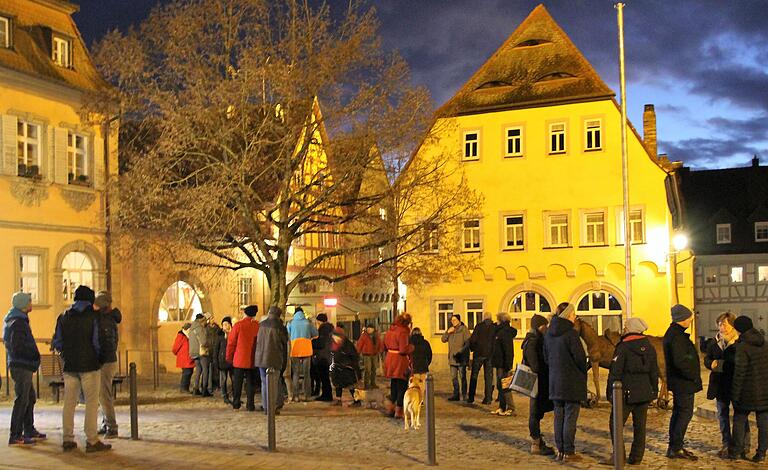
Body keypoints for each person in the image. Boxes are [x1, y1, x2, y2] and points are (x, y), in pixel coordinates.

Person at [52, 285, 111, 453]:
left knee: (69, 403)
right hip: (90, 366)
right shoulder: (94, 317)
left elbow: (57, 341)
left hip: (70, 366)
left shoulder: (63, 317)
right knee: (91, 403)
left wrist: (65, 354)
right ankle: (91, 439)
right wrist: (99, 360)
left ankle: (67, 438)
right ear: (90, 299)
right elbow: (98, 342)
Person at [604, 317, 659, 466]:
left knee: (615, 424)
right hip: (644, 392)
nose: (623, 329)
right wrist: (654, 391)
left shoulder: (623, 347)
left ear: (629, 329)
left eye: (625, 327)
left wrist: (610, 392)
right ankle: (636, 457)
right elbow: (654, 371)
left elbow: (615, 371)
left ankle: (619, 456)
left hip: (624, 393)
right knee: (640, 426)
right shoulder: (649, 347)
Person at [543, 303, 587, 462]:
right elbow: (581, 359)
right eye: (573, 313)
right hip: (572, 382)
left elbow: (546, 358)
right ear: (569, 315)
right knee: (570, 417)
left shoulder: (548, 334)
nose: (575, 316)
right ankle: (569, 451)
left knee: (558, 416)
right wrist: (583, 368)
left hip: (555, 381)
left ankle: (560, 450)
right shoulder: (571, 334)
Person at [704, 312, 748, 458]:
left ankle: (743, 445)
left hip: (736, 383)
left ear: (732, 325)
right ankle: (726, 443)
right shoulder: (714, 341)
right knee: (722, 415)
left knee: (741, 415)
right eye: (719, 324)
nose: (721, 326)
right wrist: (710, 363)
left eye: (724, 324)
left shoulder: (740, 341)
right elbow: (707, 358)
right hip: (719, 384)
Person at [4, 292, 44, 446]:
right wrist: (33, 355)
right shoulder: (18, 322)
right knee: (22, 400)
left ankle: (28, 429)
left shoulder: (18, 320)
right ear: (23, 305)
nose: (31, 303)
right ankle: (15, 435)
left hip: (21, 364)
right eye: (29, 301)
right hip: (21, 365)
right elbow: (18, 346)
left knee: (30, 398)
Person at [663, 304, 702, 460]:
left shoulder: (674, 334)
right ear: (682, 319)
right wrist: (692, 375)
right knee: (683, 414)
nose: (691, 320)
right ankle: (676, 447)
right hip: (683, 383)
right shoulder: (677, 336)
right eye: (689, 317)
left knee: (679, 414)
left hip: (681, 382)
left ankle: (675, 446)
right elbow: (681, 361)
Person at [730, 315, 768, 462]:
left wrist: (734, 394)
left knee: (739, 420)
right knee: (764, 423)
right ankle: (761, 453)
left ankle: (736, 451)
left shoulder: (742, 347)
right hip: (764, 391)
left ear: (739, 329)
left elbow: (740, 373)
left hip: (747, 391)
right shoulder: (764, 344)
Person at [522, 314, 554, 455]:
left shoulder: (534, 340)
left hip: (538, 382)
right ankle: (536, 443)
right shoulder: (533, 342)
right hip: (536, 382)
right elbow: (535, 365)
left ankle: (537, 441)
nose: (546, 328)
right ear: (540, 326)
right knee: (534, 412)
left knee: (536, 412)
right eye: (544, 326)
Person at [94, 291, 121, 439]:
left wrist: (100, 359)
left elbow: (106, 343)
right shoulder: (107, 319)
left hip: (106, 361)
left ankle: (112, 426)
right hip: (107, 360)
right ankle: (106, 423)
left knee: (104, 396)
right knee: (102, 395)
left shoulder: (105, 320)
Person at [254, 306, 289, 414]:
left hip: (260, 358)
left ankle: (266, 406)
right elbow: (284, 344)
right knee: (273, 384)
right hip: (274, 358)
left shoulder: (261, 325)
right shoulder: (280, 327)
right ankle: (271, 408)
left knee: (264, 383)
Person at [227, 305, 260, 411]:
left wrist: (229, 357)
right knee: (251, 383)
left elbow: (231, 343)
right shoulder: (257, 326)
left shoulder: (238, 325)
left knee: (237, 383)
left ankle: (236, 403)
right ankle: (250, 404)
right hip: (253, 358)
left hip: (239, 358)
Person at [383, 314, 414, 419]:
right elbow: (403, 349)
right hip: (399, 361)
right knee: (402, 386)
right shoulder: (403, 332)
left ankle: (391, 407)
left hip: (390, 358)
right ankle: (398, 410)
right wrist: (412, 347)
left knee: (394, 384)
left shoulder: (390, 331)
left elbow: (385, 345)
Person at [287, 307, 318, 402]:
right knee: (306, 374)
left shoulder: (291, 323)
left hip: (295, 349)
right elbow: (316, 334)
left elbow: (287, 334)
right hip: (307, 349)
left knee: (295, 373)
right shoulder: (308, 323)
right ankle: (306, 395)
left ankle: (295, 396)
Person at [491, 312, 517, 416]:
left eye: (497, 320)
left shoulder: (504, 332)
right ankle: (501, 407)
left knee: (505, 385)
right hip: (499, 363)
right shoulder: (499, 331)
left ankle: (511, 408)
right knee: (500, 385)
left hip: (504, 364)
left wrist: (508, 365)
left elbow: (508, 350)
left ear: (500, 320)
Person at [330, 326, 362, 406]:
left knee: (350, 385)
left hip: (347, 368)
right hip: (337, 367)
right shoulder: (333, 343)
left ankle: (357, 401)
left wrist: (351, 365)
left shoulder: (347, 344)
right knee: (338, 384)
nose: (335, 338)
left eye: (336, 336)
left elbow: (354, 356)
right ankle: (338, 400)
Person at [467, 316, 495, 404]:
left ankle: (471, 397)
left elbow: (473, 339)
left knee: (474, 375)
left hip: (478, 354)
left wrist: (473, 349)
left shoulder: (479, 326)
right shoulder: (494, 327)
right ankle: (488, 398)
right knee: (488, 377)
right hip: (490, 355)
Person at [441, 314, 470, 401]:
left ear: (459, 321)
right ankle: (456, 394)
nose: (453, 322)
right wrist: (447, 332)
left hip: (461, 358)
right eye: (452, 320)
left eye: (454, 320)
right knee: (454, 377)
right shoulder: (450, 330)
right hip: (452, 358)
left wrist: (461, 351)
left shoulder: (464, 330)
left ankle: (464, 394)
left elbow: (468, 343)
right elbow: (443, 339)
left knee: (463, 377)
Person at [312, 313, 334, 401]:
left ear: (320, 321)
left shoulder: (323, 329)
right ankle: (326, 394)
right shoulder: (330, 329)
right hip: (327, 355)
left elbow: (321, 343)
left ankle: (326, 395)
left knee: (324, 377)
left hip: (322, 356)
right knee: (325, 377)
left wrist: (313, 342)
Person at [188, 313, 211, 396]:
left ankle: (195, 388)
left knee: (198, 370)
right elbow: (204, 341)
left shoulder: (191, 328)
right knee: (205, 370)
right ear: (201, 320)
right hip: (201, 352)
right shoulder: (200, 328)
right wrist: (209, 344)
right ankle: (205, 389)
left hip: (193, 352)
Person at [356, 324, 383, 389]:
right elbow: (359, 344)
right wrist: (358, 352)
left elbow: (380, 343)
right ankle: (366, 384)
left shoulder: (376, 335)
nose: (369, 330)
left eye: (370, 328)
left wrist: (380, 350)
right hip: (366, 355)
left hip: (374, 354)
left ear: (373, 329)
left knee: (374, 369)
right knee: (367, 369)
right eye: (368, 328)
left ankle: (373, 383)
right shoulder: (364, 336)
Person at [215, 316, 234, 404]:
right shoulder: (220, 336)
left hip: (232, 361)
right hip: (222, 361)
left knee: (234, 379)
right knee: (223, 379)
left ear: (230, 325)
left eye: (226, 324)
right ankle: (224, 396)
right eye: (223, 324)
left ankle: (235, 395)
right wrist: (215, 362)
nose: (225, 326)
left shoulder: (233, 334)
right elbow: (216, 349)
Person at [172, 323, 195, 393]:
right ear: (187, 329)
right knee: (187, 373)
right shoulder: (181, 336)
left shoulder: (188, 336)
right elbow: (175, 348)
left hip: (188, 358)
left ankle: (185, 388)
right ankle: (183, 388)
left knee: (189, 372)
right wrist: (179, 354)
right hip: (184, 359)